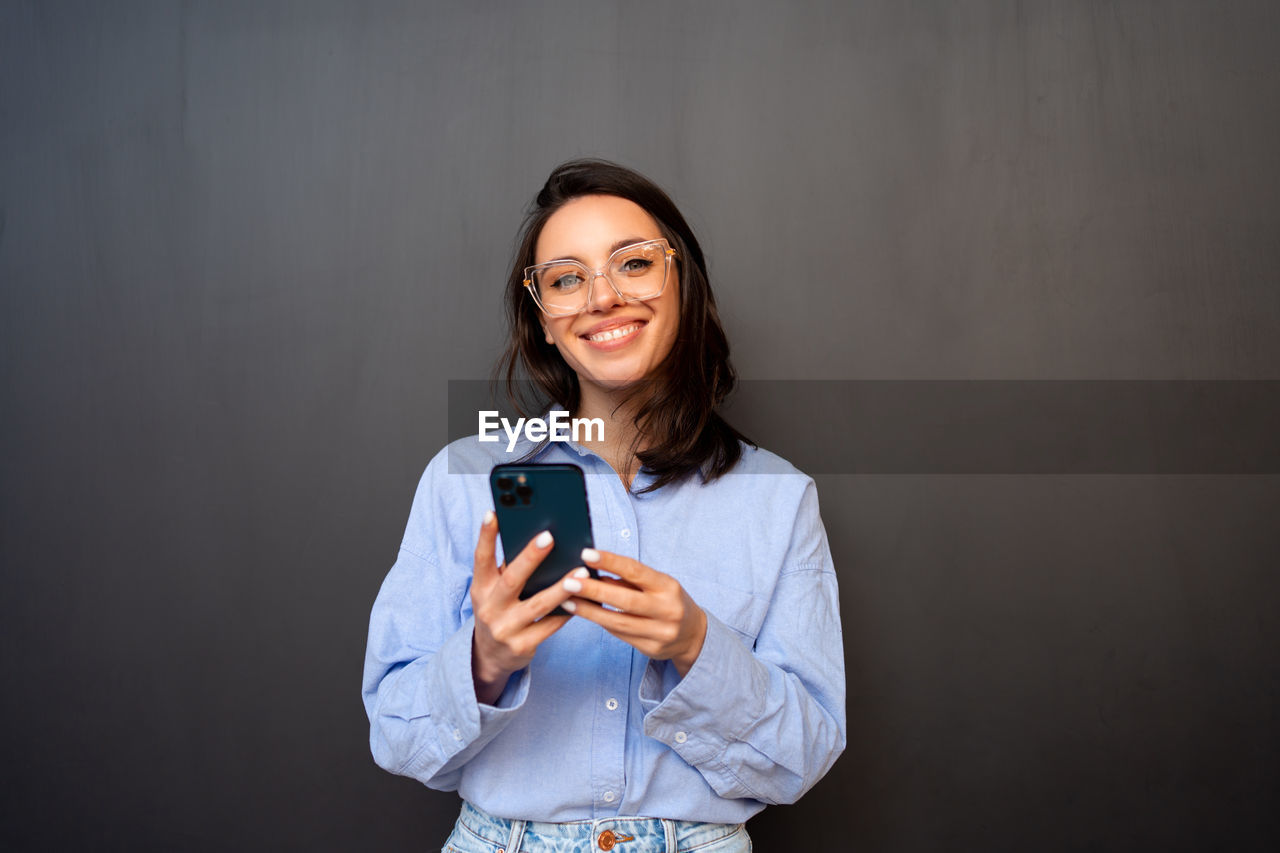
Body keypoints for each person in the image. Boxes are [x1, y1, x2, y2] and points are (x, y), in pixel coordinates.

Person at [362, 159, 846, 853]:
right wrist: (484, 659)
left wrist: (695, 647)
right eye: (566, 278)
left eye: (634, 263)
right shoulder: (461, 480)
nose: (602, 295)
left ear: (682, 282)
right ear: (547, 323)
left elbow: (803, 757)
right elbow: (397, 740)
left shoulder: (779, 498)